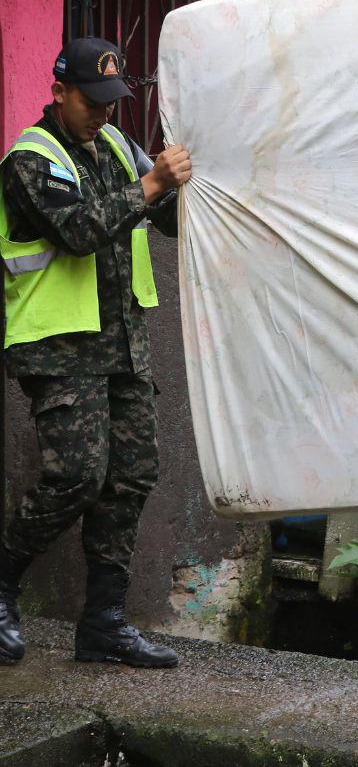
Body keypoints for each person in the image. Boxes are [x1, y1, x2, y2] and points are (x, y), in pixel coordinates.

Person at [0, 37, 192, 668]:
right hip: (59, 348)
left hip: (124, 345)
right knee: (76, 478)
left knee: (131, 476)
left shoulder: (114, 146)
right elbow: (80, 232)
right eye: (91, 101)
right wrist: (154, 181)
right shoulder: (32, 159)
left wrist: (185, 184)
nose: (103, 114)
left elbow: (163, 216)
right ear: (59, 92)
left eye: (112, 101)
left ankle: (104, 625)